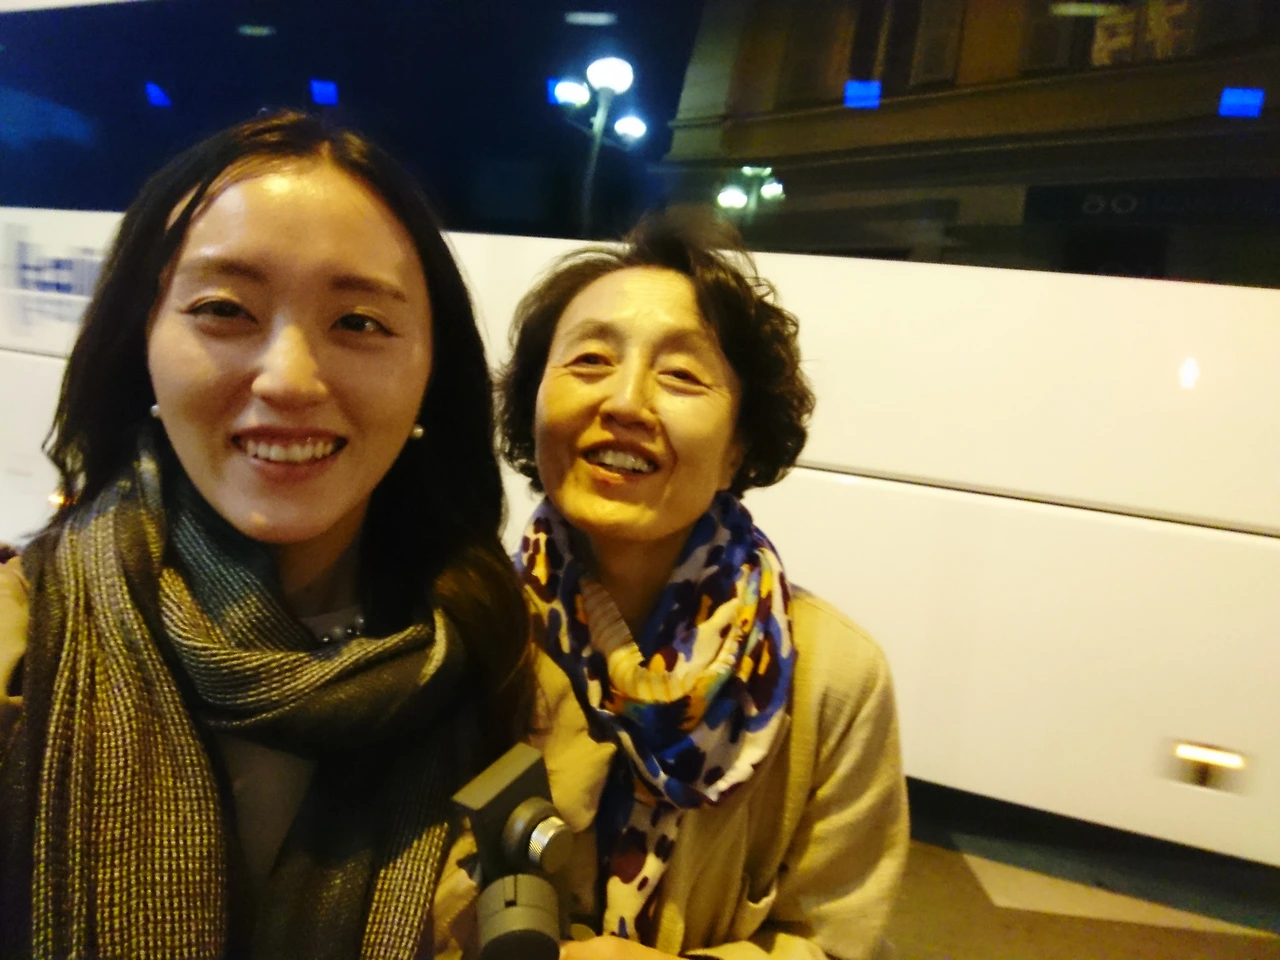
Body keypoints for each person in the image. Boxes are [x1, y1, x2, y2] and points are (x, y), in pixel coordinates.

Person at [0, 110, 533, 959]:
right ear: (142, 342)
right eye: (224, 309)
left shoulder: (500, 655)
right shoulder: (22, 648)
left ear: (433, 372)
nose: (288, 378)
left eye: (358, 322)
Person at [498, 214, 910, 959]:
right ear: (534, 408)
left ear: (737, 448)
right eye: (589, 360)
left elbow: (836, 942)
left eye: (682, 375)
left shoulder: (833, 680)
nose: (625, 403)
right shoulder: (473, 630)